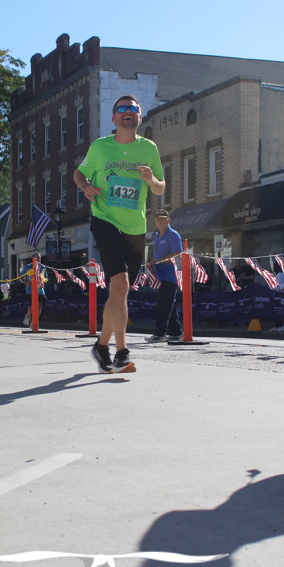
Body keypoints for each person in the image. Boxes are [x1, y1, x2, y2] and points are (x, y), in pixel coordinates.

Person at [74, 94, 165, 372]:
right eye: (122, 109)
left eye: (133, 109)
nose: (128, 112)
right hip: (105, 219)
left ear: (139, 116)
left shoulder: (149, 148)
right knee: (121, 283)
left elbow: (160, 187)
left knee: (119, 291)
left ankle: (101, 345)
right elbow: (79, 174)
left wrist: (150, 179)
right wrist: (86, 188)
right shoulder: (100, 147)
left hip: (135, 227)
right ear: (114, 118)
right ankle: (122, 351)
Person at [145, 209, 184, 343]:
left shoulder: (173, 235)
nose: (160, 222)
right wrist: (153, 263)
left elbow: (178, 253)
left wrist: (158, 261)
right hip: (160, 275)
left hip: (170, 275)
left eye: (163, 219)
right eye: (158, 220)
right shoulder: (156, 235)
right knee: (169, 304)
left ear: (168, 220)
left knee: (163, 304)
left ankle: (160, 333)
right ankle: (176, 331)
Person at [20, 252, 48, 327]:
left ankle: (34, 321)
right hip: (30, 290)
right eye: (36, 258)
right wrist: (26, 282)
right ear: (33, 258)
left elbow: (46, 278)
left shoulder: (43, 267)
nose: (38, 259)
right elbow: (20, 277)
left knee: (39, 306)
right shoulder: (28, 267)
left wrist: (43, 281)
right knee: (32, 305)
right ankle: (28, 316)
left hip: (40, 290)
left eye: (39, 258)